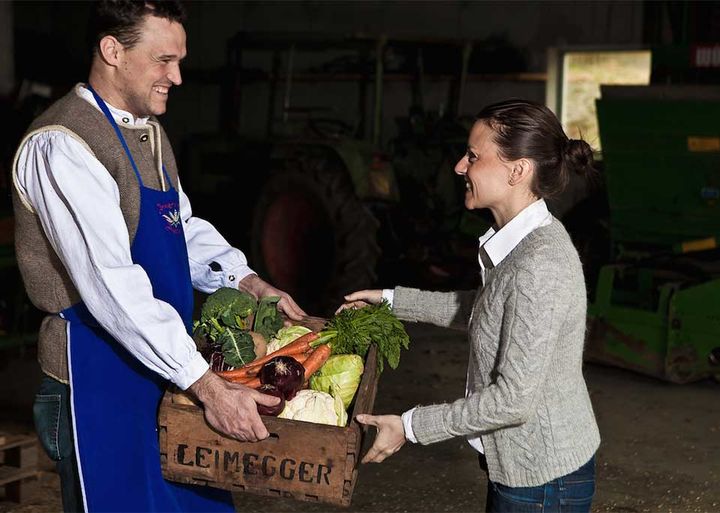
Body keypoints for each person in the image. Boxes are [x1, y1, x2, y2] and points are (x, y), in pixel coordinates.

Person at [11, 1, 306, 511]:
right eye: (164, 60)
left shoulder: (147, 131)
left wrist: (245, 280)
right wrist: (209, 389)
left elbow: (178, 226)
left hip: (167, 366)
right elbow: (110, 285)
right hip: (95, 381)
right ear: (112, 51)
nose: (178, 76)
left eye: (180, 60)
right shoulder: (62, 145)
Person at [341, 99, 601, 512]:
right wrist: (391, 302)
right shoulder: (521, 244)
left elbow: (513, 401)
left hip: (542, 480)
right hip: (526, 468)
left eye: (474, 157)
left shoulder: (539, 265)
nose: (460, 167)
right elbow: (486, 312)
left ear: (518, 170)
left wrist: (410, 427)